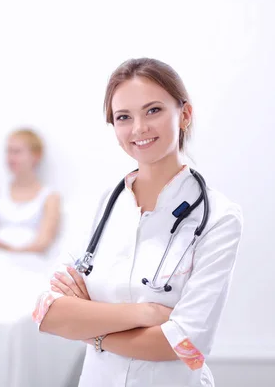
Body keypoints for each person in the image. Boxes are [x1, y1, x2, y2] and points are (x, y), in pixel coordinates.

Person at [32, 58, 243, 386]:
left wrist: (91, 330)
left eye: (153, 110)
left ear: (184, 115)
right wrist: (144, 315)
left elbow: (188, 346)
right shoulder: (102, 207)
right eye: (123, 117)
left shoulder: (219, 218)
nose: (139, 128)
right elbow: (47, 313)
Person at [0, 128, 61, 256]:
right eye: (8, 151)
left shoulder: (50, 197)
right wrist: (0, 248)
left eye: (17, 152)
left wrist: (15, 251)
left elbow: (43, 241)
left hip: (28, 262)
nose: (11, 158)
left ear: (36, 156)